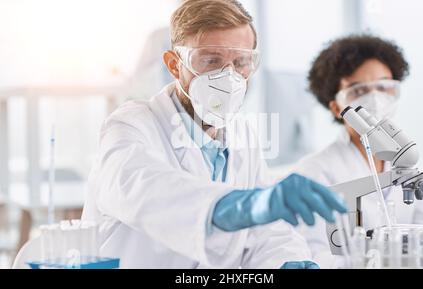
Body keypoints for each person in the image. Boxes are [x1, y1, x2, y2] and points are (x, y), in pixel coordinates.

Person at [82, 0, 347, 269]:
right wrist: (238, 206)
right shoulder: (131, 126)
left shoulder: (242, 134)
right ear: (174, 65)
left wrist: (286, 261)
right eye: (211, 61)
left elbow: (266, 233)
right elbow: (144, 188)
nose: (229, 76)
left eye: (241, 62)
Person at [293, 34, 423, 268]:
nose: (375, 98)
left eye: (383, 86)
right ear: (337, 107)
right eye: (358, 91)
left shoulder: (402, 163)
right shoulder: (313, 171)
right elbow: (311, 253)